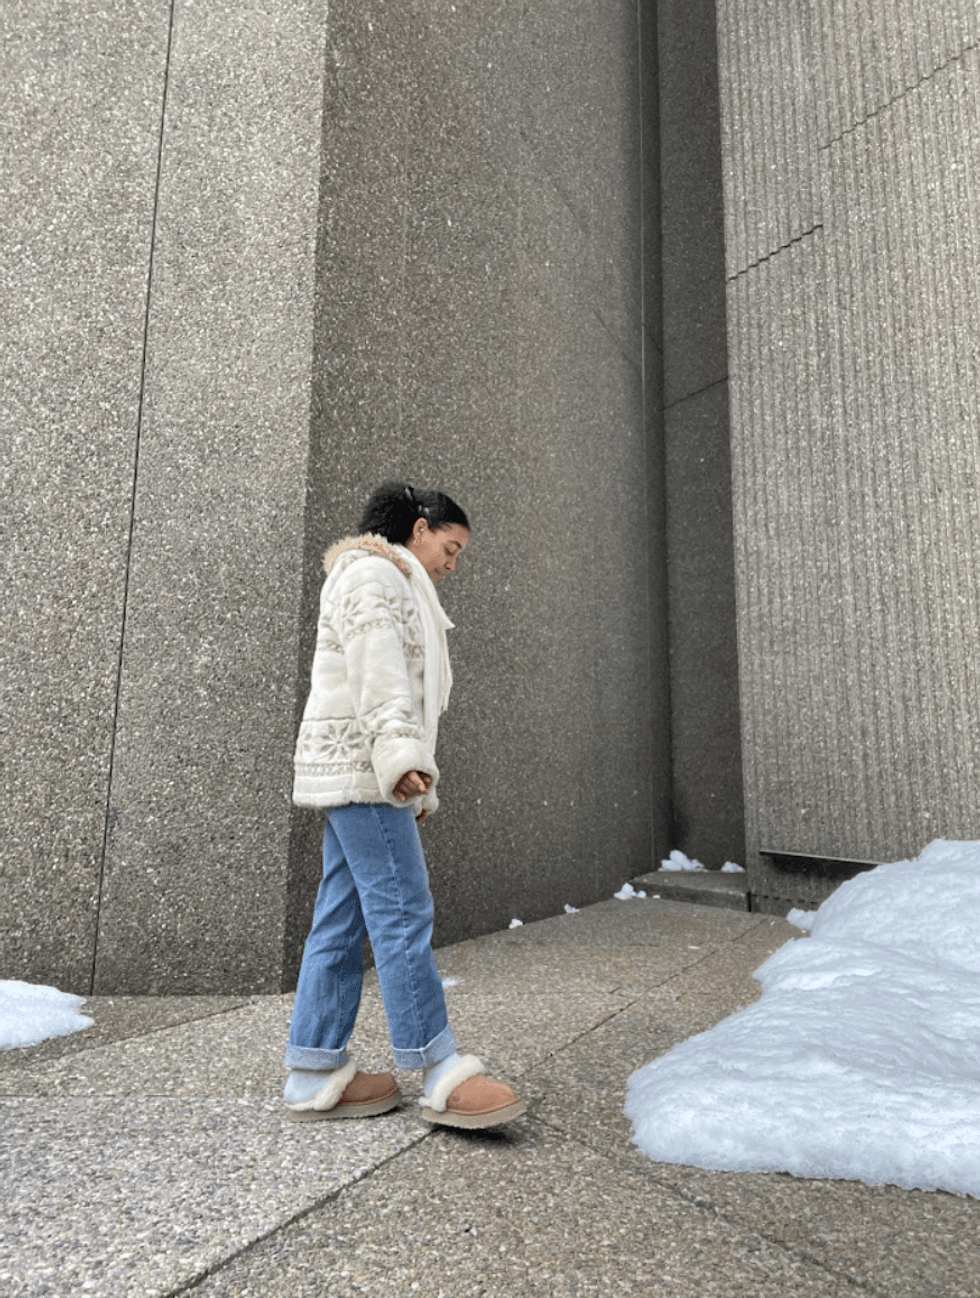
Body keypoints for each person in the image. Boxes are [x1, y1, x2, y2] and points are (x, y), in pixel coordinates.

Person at [284, 481, 526, 1128]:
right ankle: (439, 1068)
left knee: (341, 917)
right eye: (450, 547)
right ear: (419, 529)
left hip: (358, 768)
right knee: (402, 911)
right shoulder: (377, 576)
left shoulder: (382, 579)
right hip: (366, 769)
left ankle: (313, 1070)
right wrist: (400, 757)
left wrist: (412, 765)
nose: (453, 563)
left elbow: (396, 683)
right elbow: (379, 667)